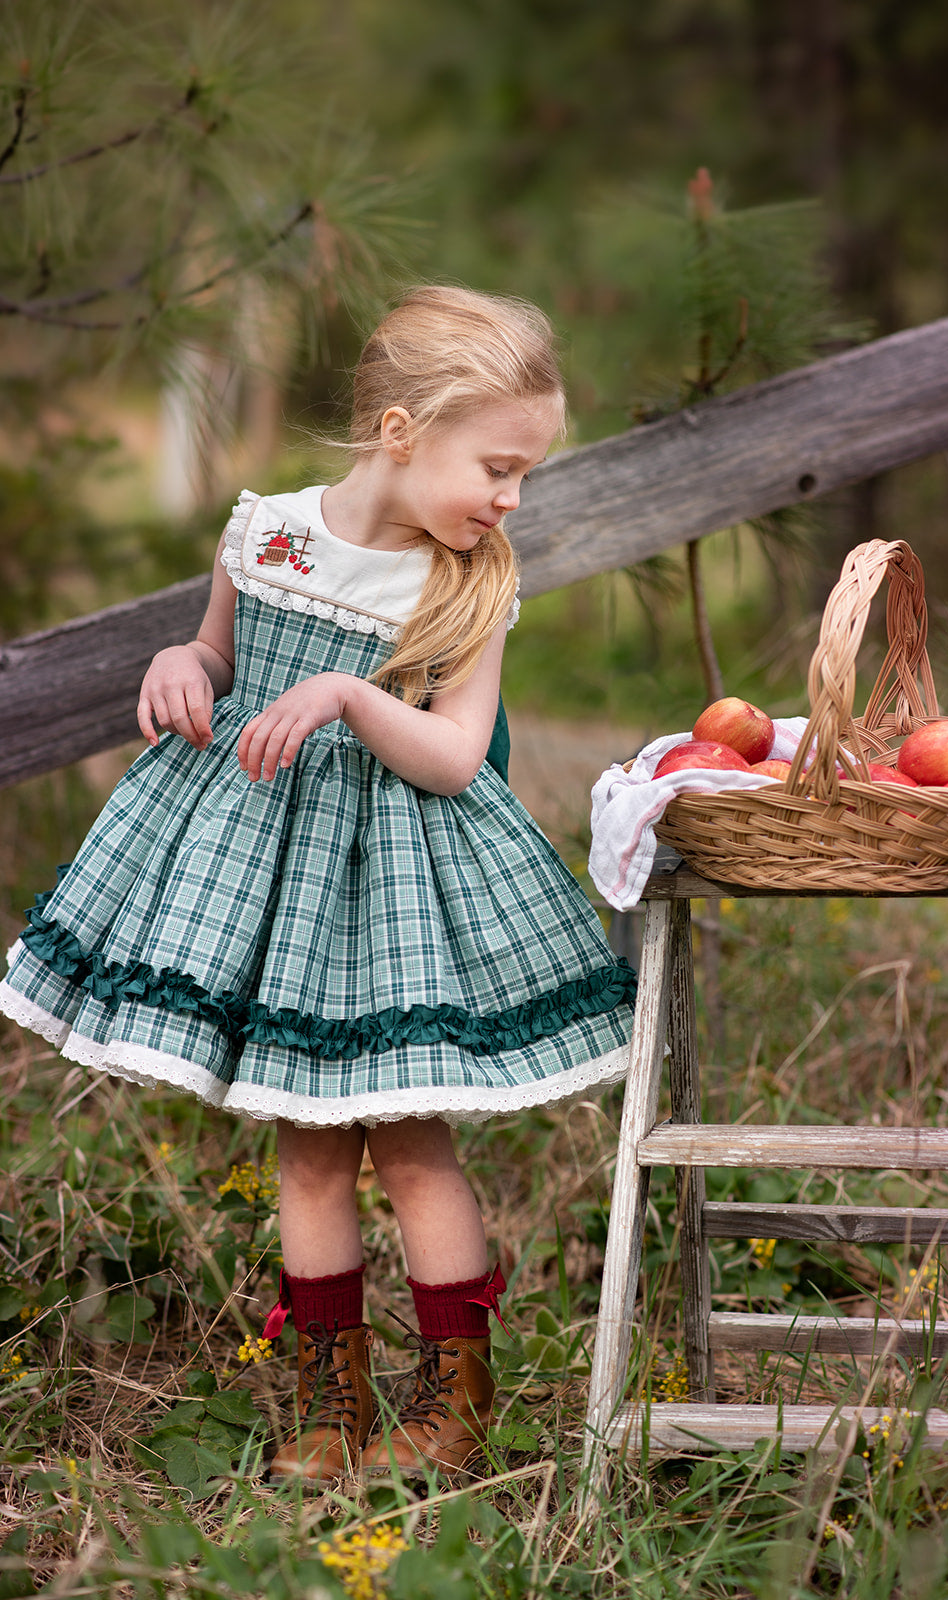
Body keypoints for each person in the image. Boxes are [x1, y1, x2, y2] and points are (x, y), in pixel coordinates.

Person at [0, 285, 635, 1484]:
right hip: (266, 884)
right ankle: (326, 1390)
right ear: (402, 431)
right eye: (498, 467)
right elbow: (220, 653)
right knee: (305, 1147)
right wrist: (182, 662)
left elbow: (454, 758)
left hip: (397, 897)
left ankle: (455, 1393)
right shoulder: (270, 532)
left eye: (526, 475)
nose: (511, 499)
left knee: (410, 1143)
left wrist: (349, 696)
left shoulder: (473, 580)